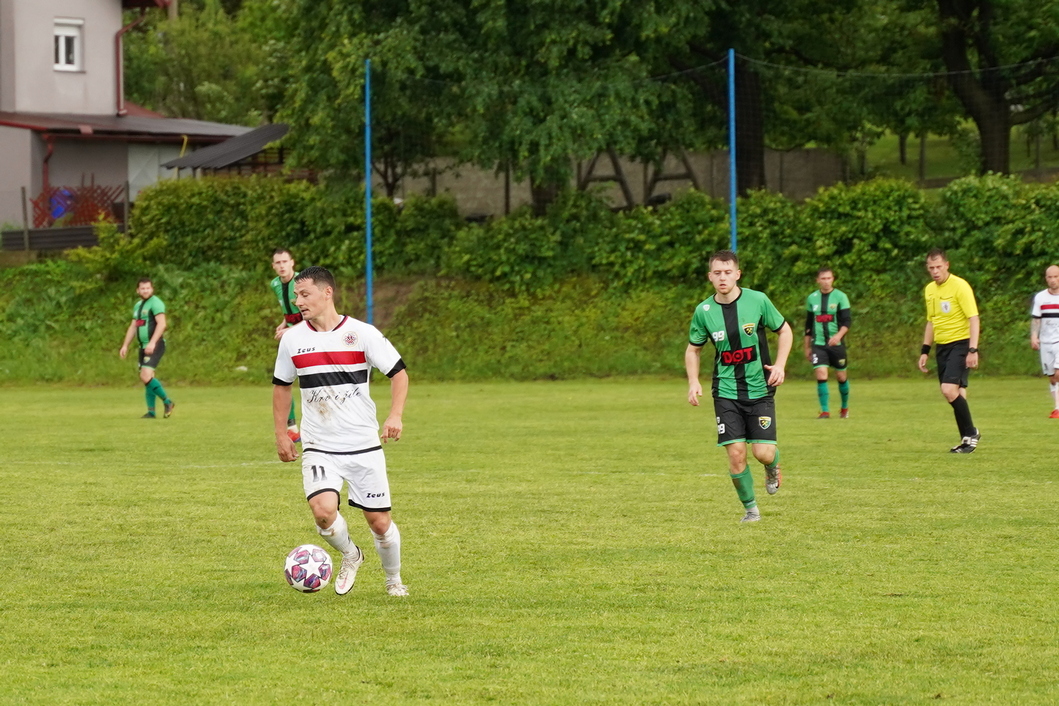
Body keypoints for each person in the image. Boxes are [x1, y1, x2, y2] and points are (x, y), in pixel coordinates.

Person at [272, 266, 410, 597]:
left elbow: (399, 373)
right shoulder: (292, 339)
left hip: (363, 444)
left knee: (379, 523)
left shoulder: (362, 333)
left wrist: (395, 415)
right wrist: (281, 434)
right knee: (323, 513)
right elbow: (281, 386)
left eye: (305, 294)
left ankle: (393, 581)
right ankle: (350, 553)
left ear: (327, 293)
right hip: (319, 445)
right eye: (296, 296)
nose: (298, 301)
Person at [686, 250, 793, 523]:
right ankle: (751, 510)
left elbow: (784, 330)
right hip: (725, 391)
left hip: (759, 389)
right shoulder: (703, 311)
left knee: (763, 453)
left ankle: (772, 465)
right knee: (736, 454)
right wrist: (693, 381)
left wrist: (780, 365)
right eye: (717, 273)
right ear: (710, 277)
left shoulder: (758, 300)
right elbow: (693, 349)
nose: (723, 277)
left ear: (737, 274)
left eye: (727, 272)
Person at [917, 248, 981, 453]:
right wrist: (925, 350)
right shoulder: (929, 290)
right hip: (942, 346)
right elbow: (931, 321)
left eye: (938, 267)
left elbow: (973, 318)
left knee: (948, 389)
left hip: (960, 343)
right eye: (931, 268)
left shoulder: (960, 286)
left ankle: (971, 432)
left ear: (947, 265)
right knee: (956, 393)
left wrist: (973, 349)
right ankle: (966, 440)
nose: (935, 271)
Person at [119, 278, 174, 419]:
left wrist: (152, 343)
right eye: (142, 288)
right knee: (148, 379)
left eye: (148, 288)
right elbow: (133, 326)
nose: (145, 291)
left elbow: (162, 324)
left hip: (155, 345)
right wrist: (125, 345)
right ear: (138, 290)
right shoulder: (138, 306)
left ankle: (167, 402)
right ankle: (151, 412)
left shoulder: (156, 303)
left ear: (152, 289)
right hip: (142, 346)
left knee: (145, 376)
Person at [803, 267, 852, 418]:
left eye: (829, 278)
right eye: (823, 278)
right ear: (818, 280)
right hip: (818, 344)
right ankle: (825, 411)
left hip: (836, 345)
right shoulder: (812, 298)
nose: (826, 281)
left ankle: (844, 408)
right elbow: (808, 325)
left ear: (833, 279)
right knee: (821, 373)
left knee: (841, 376)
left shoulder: (841, 297)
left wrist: (838, 336)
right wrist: (807, 347)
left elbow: (847, 321)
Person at [270, 248, 302, 443]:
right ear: (273, 266)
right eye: (278, 263)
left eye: (285, 261)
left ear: (292, 262)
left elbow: (312, 316)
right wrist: (284, 323)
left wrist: (290, 330)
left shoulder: (302, 282)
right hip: (291, 335)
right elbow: (288, 309)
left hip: (309, 334)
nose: (282, 266)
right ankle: (291, 428)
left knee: (313, 380)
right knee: (283, 380)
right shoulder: (275, 284)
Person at [1030, 265, 1059, 418]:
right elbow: (1036, 319)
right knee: (1052, 377)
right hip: (1046, 342)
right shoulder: (1040, 297)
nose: (1053, 280)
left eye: (1056, 276)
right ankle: (1057, 407)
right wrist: (1034, 336)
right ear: (1046, 278)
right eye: (1050, 277)